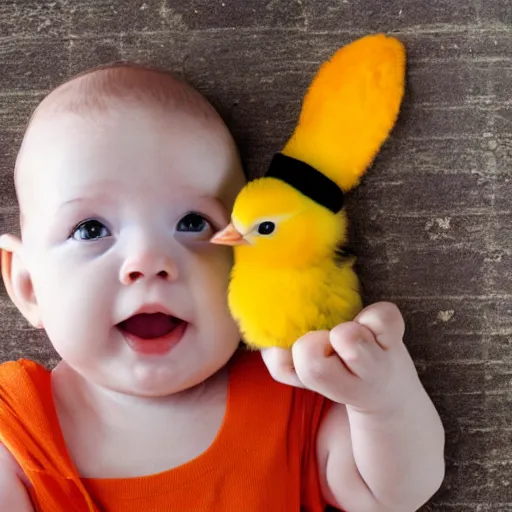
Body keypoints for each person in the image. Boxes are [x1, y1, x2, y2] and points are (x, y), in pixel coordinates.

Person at [0, 64, 445, 511]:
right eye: (91, 229)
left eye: (193, 223)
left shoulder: (293, 392)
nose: (150, 262)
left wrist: (383, 400)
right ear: (28, 285)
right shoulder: (15, 428)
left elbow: (390, 496)